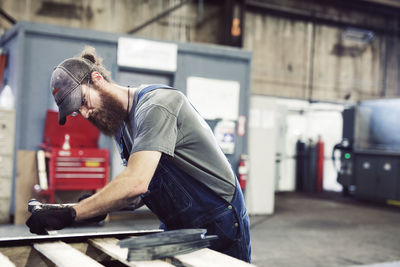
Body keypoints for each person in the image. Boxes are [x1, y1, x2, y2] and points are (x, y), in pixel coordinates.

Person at [26, 46, 251, 262]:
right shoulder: (121, 128)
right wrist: (87, 207)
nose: (85, 114)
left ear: (97, 78)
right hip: (181, 224)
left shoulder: (156, 106)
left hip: (218, 218)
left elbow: (136, 182)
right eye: (77, 111)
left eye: (83, 101)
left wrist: (71, 214)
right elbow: (138, 195)